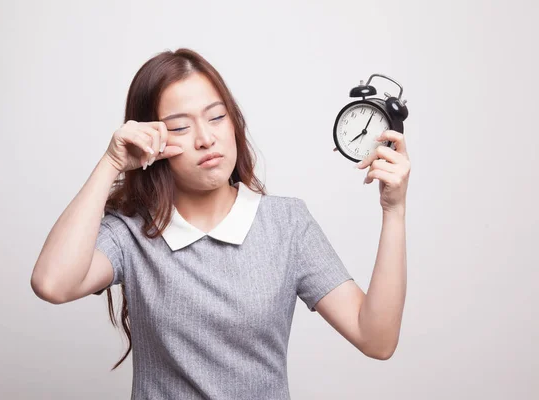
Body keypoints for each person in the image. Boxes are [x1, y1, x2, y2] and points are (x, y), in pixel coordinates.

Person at [30, 48, 410, 399]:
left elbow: (375, 339)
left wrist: (393, 211)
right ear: (152, 138)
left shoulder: (286, 223)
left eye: (216, 117)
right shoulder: (131, 231)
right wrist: (111, 161)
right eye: (179, 127)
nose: (206, 138)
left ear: (234, 122)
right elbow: (52, 283)